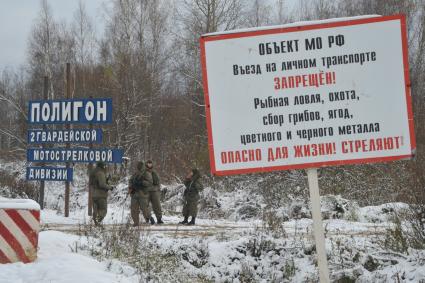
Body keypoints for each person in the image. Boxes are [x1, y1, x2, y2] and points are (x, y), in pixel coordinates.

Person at [129, 161, 153, 226]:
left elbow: (150, 182)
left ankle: (149, 218)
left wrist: (142, 182)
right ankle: (136, 222)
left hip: (142, 193)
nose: (139, 166)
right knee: (134, 209)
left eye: (140, 165)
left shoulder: (146, 173)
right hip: (134, 194)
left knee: (145, 209)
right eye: (138, 165)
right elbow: (130, 181)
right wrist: (131, 187)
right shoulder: (135, 174)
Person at [90, 161, 114, 225]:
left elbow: (92, 183)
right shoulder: (100, 173)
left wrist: (106, 180)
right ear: (102, 166)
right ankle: (97, 222)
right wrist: (110, 187)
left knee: (96, 210)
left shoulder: (93, 172)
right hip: (101, 195)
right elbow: (102, 184)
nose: (105, 167)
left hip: (94, 194)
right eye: (104, 166)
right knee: (103, 210)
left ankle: (96, 224)